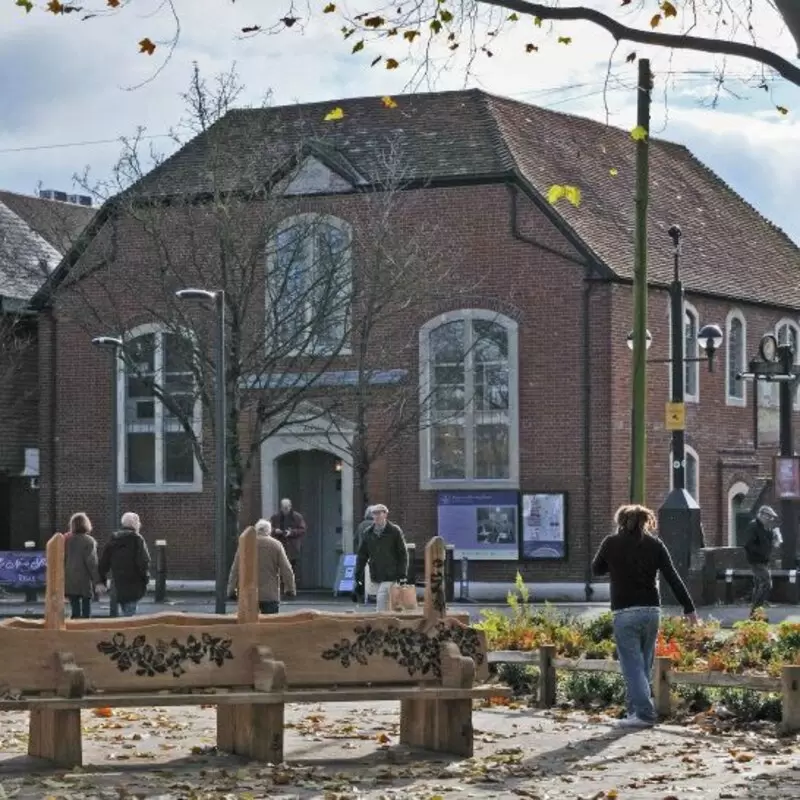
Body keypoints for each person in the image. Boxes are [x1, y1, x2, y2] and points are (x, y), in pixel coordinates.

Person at [592, 504, 698, 728]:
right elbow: (673, 577)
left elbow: (596, 569)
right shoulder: (655, 544)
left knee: (631, 666)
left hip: (624, 611)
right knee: (643, 666)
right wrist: (689, 608)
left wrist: (616, 564)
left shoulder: (611, 543)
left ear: (620, 522)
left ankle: (644, 715)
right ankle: (633, 713)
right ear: (646, 521)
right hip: (651, 611)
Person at [227, 519, 296, 614]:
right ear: (269, 531)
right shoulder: (276, 545)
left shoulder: (245, 544)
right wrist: (290, 589)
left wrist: (231, 590)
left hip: (248, 595)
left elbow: (235, 569)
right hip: (270, 595)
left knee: (249, 626)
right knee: (269, 625)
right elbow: (286, 569)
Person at [353, 504, 408, 612]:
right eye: (374, 513)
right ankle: (389, 622)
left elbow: (402, 554)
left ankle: (380, 619)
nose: (377, 516)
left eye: (379, 513)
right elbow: (362, 556)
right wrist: (358, 576)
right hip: (376, 573)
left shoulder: (394, 531)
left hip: (392, 573)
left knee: (382, 598)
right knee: (387, 602)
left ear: (385, 514)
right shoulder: (368, 533)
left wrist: (402, 574)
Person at [98, 512, 151, 617]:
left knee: (125, 610)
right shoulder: (137, 539)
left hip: (118, 583)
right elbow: (143, 562)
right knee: (130, 613)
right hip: (134, 583)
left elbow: (104, 562)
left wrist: (101, 580)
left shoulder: (114, 539)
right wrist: (146, 578)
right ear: (135, 524)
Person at [743, 505, 781, 618]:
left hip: (764, 561)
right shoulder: (753, 526)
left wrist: (775, 537)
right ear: (762, 515)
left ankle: (756, 613)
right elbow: (748, 544)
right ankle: (756, 613)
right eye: (769, 517)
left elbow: (771, 543)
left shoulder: (766, 528)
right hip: (756, 561)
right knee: (766, 584)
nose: (771, 519)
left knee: (759, 586)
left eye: (772, 517)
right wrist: (761, 553)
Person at [64, 512, 100, 619]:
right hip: (84, 579)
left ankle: (74, 630)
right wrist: (97, 580)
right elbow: (92, 563)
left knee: (74, 609)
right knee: (86, 610)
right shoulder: (89, 541)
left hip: (69, 577)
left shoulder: (66, 541)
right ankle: (85, 629)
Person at [270, 498, 307, 581]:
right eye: (283, 508)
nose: (285, 510)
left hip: (293, 547)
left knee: (292, 567)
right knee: (279, 567)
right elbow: (268, 528)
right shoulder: (275, 517)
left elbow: (302, 529)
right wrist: (275, 530)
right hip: (280, 546)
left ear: (290, 507)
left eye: (287, 507)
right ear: (281, 507)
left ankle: (291, 587)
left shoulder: (297, 517)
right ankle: (282, 587)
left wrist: (291, 532)